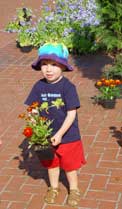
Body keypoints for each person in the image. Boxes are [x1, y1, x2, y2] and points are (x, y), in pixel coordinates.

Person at [24, 43, 86, 207]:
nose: (48, 69)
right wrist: (33, 120)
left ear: (63, 67)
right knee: (51, 164)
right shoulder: (39, 86)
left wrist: (59, 134)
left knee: (70, 166)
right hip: (46, 137)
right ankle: (54, 188)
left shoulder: (68, 87)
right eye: (44, 64)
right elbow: (33, 108)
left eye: (54, 64)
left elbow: (71, 114)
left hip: (68, 136)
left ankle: (74, 189)